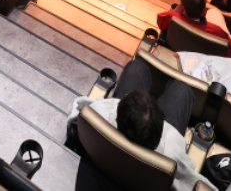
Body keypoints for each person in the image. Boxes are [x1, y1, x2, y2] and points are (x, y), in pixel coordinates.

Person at [69, 58, 207, 191]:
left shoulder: (99, 114)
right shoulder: (172, 155)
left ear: (117, 119)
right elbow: (190, 181)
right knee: (182, 89)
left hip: (103, 168)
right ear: (161, 132)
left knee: (136, 67)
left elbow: (76, 114)